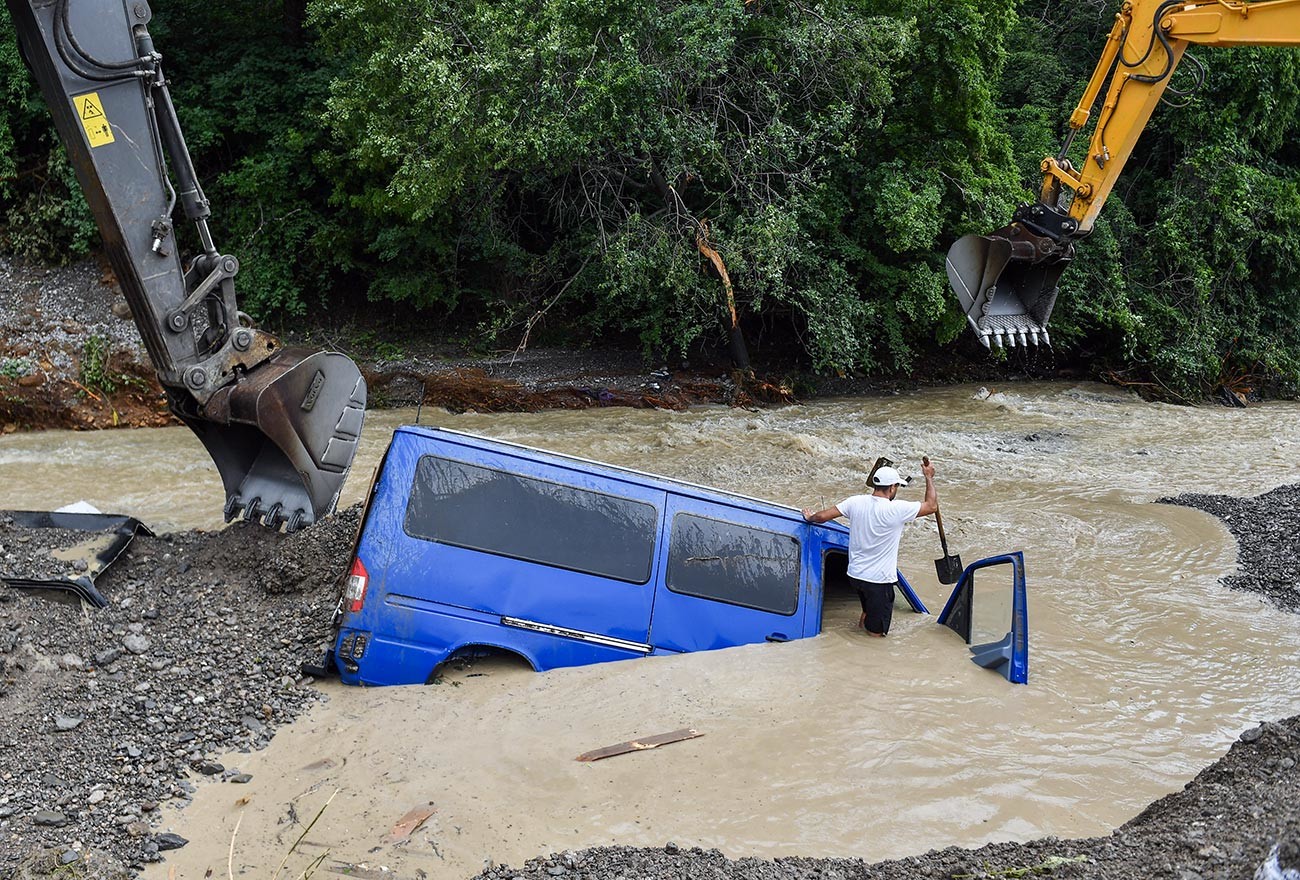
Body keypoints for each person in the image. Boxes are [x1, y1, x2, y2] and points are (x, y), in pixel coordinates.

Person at [801, 459, 938, 637]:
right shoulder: (897, 509)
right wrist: (929, 477)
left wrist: (809, 517)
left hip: (855, 577)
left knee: (867, 612)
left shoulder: (855, 502)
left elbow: (822, 516)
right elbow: (931, 506)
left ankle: (859, 638)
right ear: (892, 488)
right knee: (877, 636)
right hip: (879, 582)